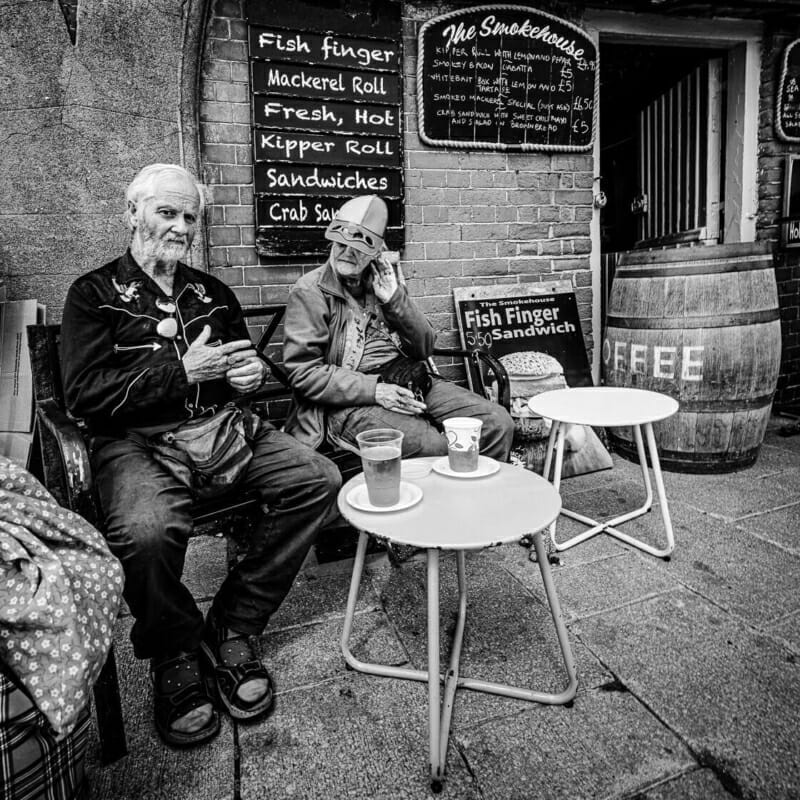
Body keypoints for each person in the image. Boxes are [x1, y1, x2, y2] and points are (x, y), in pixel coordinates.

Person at [60, 163, 341, 748]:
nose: (180, 226)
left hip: (222, 426)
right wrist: (179, 371)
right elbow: (83, 394)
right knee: (146, 529)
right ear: (132, 214)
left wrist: (245, 375)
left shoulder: (209, 293)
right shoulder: (92, 295)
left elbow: (248, 372)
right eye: (167, 212)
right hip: (134, 440)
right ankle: (176, 649)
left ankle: (235, 621)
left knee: (317, 478)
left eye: (190, 216)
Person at [283, 195, 515, 460]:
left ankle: (479, 497)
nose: (346, 253)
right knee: (433, 446)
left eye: (358, 248)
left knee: (496, 423)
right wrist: (376, 389)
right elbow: (304, 373)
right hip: (348, 401)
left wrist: (394, 299)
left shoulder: (383, 282)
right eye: (341, 243)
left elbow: (424, 347)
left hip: (407, 380)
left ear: (375, 253)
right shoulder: (310, 291)